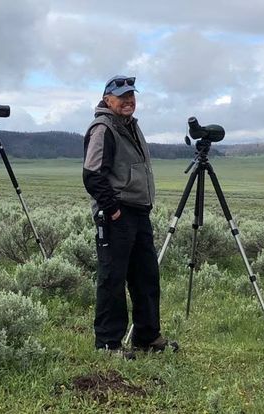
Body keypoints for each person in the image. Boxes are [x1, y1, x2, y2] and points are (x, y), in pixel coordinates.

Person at [83, 75, 178, 358]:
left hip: (138, 212)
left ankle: (146, 336)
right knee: (113, 277)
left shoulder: (129, 126)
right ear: (107, 99)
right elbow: (92, 174)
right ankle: (109, 344)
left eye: (131, 96)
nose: (128, 101)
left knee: (146, 274)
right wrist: (112, 209)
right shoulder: (103, 128)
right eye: (122, 96)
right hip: (118, 214)